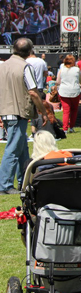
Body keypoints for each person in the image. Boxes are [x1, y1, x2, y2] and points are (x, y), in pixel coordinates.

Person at [0, 38, 48, 194]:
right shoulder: (25, 67)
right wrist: (43, 110)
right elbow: (34, 92)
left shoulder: (3, 65)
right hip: (18, 111)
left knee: (22, 148)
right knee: (13, 149)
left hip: (6, 110)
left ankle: (24, 180)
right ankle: (5, 185)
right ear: (30, 51)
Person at [56, 55, 81, 134]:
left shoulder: (62, 70)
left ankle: (65, 129)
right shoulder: (77, 70)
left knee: (66, 111)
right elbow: (80, 80)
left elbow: (57, 81)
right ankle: (71, 127)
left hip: (64, 91)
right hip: (75, 91)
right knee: (74, 110)